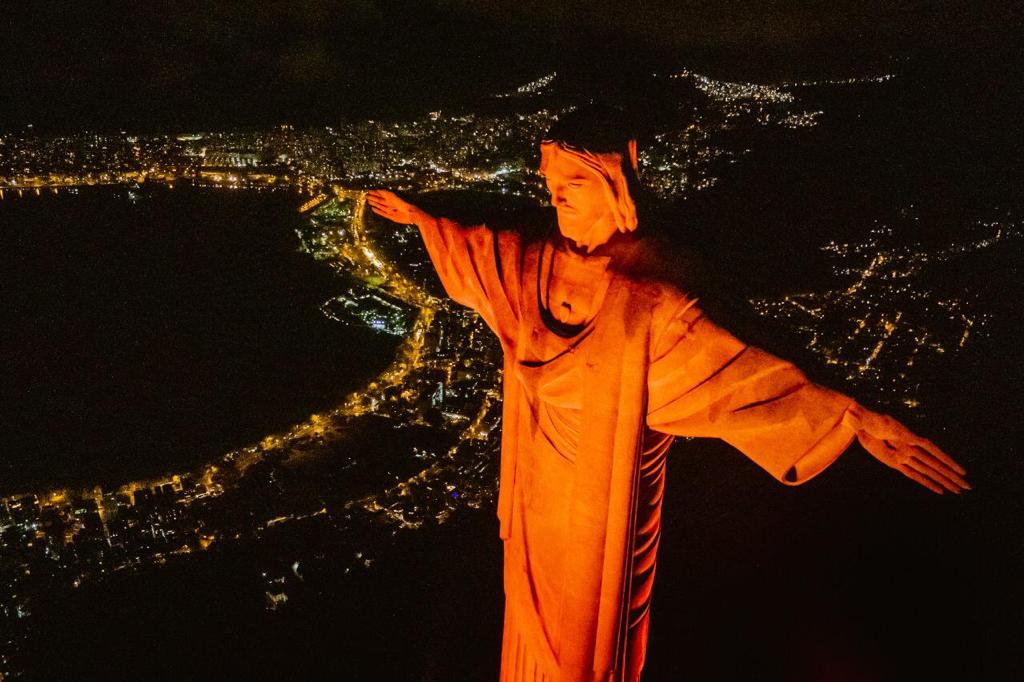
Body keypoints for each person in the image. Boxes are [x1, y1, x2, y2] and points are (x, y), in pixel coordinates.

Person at [367, 104, 969, 682]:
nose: (558, 196)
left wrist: (858, 417)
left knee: (585, 647)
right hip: (537, 488)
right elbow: (481, 244)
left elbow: (752, 368)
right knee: (524, 617)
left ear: (616, 178)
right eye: (551, 182)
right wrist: (420, 217)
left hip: (605, 495)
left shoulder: (655, 295)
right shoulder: (537, 265)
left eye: (574, 179)